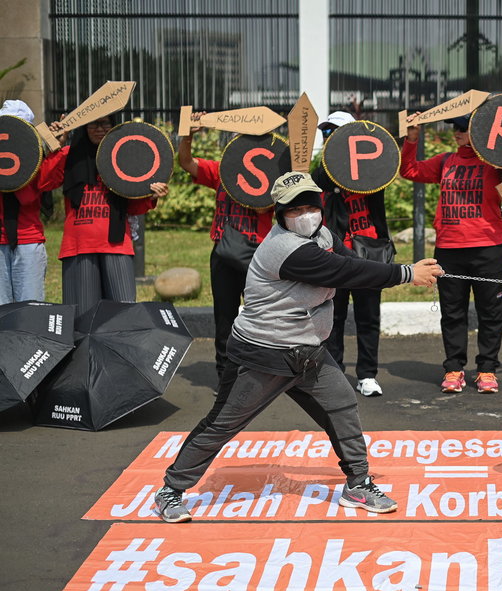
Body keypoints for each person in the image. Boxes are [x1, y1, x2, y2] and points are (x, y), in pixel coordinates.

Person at [152, 171, 443, 522]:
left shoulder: (323, 235)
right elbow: (343, 272)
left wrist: (405, 271)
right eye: (294, 210)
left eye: (310, 207)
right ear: (280, 214)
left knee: (342, 405)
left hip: (309, 351)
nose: (305, 215)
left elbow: (351, 262)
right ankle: (170, 490)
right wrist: (406, 274)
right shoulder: (285, 249)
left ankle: (358, 484)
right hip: (263, 353)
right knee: (222, 424)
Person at [400, 113, 502, 393]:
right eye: (455, 128)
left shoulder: (496, 163)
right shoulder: (445, 161)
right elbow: (409, 171)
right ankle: (453, 369)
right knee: (452, 313)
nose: (457, 132)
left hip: (489, 249)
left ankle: (487, 370)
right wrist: (412, 138)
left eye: (464, 128)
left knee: (491, 313)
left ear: (480, 131)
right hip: (449, 249)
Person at [177, 117, 275, 378]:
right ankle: (226, 376)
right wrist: (187, 136)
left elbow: (263, 208)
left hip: (257, 254)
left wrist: (250, 183)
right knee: (224, 318)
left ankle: (259, 373)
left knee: (258, 316)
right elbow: (186, 163)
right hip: (223, 252)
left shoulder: (271, 174)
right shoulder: (221, 170)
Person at [50, 115, 168, 313]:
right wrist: (58, 146)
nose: (99, 128)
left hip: (116, 245)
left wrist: (151, 196)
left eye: (105, 123)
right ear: (84, 127)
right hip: (79, 246)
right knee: (82, 319)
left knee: (122, 316)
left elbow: (133, 207)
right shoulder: (70, 155)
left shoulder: (123, 157)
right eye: (93, 123)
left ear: (114, 125)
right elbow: (46, 181)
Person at [314, 111, 390, 397]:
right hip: (333, 253)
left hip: (366, 251)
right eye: (326, 133)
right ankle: (334, 373)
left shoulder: (370, 170)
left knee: (368, 316)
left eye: (335, 132)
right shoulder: (320, 173)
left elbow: (386, 166)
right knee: (333, 316)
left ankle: (367, 375)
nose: (329, 137)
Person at [0, 100, 65, 304]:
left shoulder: (37, 161)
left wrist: (56, 145)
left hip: (28, 240)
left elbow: (48, 181)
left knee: (29, 308)